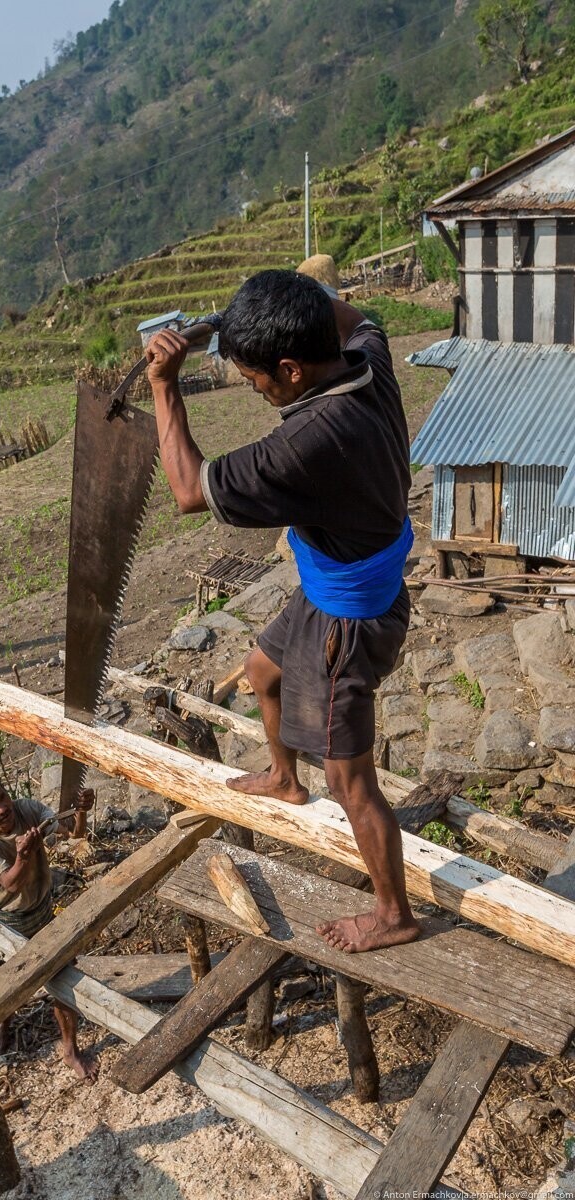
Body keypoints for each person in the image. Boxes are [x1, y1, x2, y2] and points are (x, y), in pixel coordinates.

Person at [144, 269, 418, 954]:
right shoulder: (365, 358)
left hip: (348, 624)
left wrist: (163, 385)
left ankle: (394, 915)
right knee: (261, 670)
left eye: (254, 376)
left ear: (291, 369)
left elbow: (186, 488)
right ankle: (281, 778)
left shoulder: (306, 444)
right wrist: (235, 319)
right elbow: (346, 313)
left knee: (351, 781)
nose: (252, 386)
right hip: (332, 586)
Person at [0, 764, 99, 1078]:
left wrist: (80, 811)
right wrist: (23, 855)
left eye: (3, 799)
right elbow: (10, 883)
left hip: (40, 914)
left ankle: (70, 1050)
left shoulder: (28, 810)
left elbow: (74, 833)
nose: (2, 810)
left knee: (65, 982)